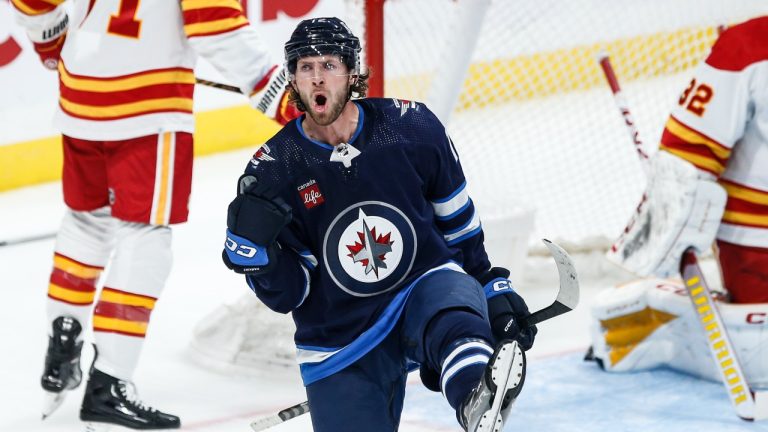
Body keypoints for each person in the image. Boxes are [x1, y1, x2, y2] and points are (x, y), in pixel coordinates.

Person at [221, 17, 537, 432]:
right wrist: (260, 261)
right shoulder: (273, 171)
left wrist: (488, 282)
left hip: (421, 288)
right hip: (340, 334)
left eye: (329, 65)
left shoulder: (412, 128)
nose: (317, 78)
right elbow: (292, 293)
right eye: (306, 67)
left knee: (451, 311)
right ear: (293, 80)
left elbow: (458, 223)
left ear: (352, 73)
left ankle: (476, 397)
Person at [10, 0, 296, 428]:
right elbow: (214, 23)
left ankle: (63, 338)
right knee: (146, 237)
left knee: (87, 221)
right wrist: (291, 102)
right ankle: (110, 382)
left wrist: (49, 41)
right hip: (147, 110)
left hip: (81, 97)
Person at [588, 16, 768, 387]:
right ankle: (648, 317)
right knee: (761, 355)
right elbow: (684, 161)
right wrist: (664, 233)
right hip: (757, 245)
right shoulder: (749, 47)